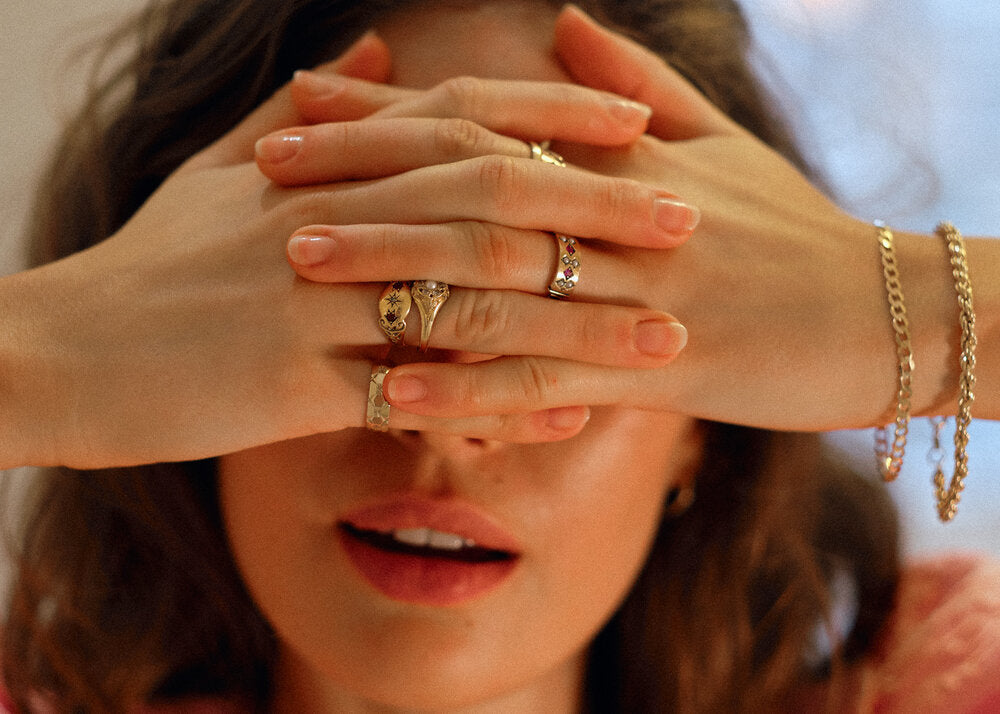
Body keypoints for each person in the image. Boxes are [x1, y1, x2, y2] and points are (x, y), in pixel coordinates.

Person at [1, 0, 999, 711]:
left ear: (702, 426)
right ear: (163, 331)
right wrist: (30, 364)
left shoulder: (942, 676)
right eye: (358, 284)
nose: (444, 417)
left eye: (557, 302)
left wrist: (933, 317)